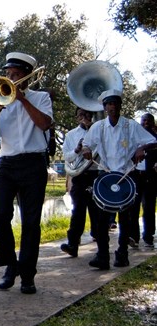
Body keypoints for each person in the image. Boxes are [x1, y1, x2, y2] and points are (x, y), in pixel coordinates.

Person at [0, 52, 53, 295]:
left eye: (15, 74)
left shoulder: (41, 98)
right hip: (7, 164)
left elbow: (44, 124)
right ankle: (10, 265)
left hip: (33, 163)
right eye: (8, 74)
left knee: (31, 222)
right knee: (0, 215)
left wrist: (22, 100)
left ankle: (28, 275)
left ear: (27, 76)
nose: (10, 78)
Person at [81, 89, 155, 269]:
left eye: (115, 103)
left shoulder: (130, 125)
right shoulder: (98, 127)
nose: (112, 107)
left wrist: (141, 148)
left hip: (126, 176)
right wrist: (86, 150)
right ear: (105, 107)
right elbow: (86, 144)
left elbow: (153, 141)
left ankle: (122, 254)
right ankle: (102, 256)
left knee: (126, 218)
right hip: (106, 176)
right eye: (109, 104)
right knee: (101, 219)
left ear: (120, 106)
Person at [60, 107, 99, 257]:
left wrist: (91, 131)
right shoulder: (71, 135)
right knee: (78, 211)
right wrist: (77, 150)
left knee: (97, 211)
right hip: (80, 175)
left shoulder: (98, 131)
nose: (84, 117)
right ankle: (72, 244)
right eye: (81, 115)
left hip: (96, 173)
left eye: (87, 114)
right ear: (77, 118)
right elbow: (67, 157)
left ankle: (102, 249)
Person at [139, 113, 156, 247]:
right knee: (132, 208)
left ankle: (148, 235)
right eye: (144, 120)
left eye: (149, 121)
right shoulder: (135, 136)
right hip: (136, 175)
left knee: (149, 207)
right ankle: (132, 235)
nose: (146, 123)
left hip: (151, 176)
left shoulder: (155, 137)